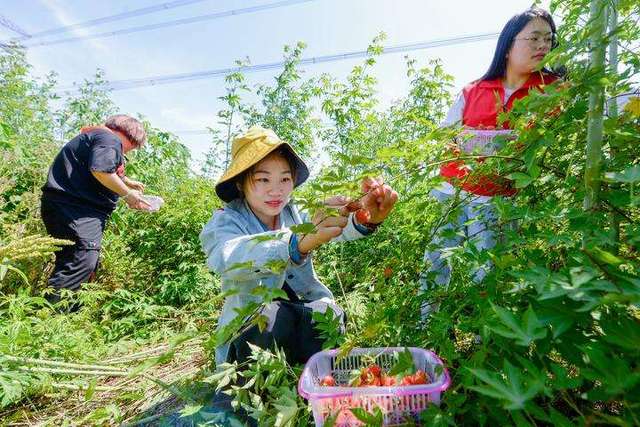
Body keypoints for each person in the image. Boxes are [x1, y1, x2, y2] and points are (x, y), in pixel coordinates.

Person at [200, 126, 398, 366]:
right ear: (241, 183)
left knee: (329, 315)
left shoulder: (295, 211)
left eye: (285, 178)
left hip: (299, 310)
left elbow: (331, 225)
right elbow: (228, 256)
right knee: (271, 318)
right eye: (263, 179)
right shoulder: (226, 220)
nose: (276, 190)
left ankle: (315, 375)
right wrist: (293, 244)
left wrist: (366, 216)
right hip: (253, 328)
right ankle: (246, 386)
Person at [421, 7, 561, 320]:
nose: (542, 45)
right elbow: (445, 140)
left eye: (548, 39)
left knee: (488, 272)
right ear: (509, 45)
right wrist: (466, 167)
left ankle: (482, 336)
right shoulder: (474, 91)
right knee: (436, 264)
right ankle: (427, 327)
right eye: (534, 38)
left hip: (501, 200)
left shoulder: (552, 90)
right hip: (453, 192)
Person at [41, 114, 150, 306]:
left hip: (67, 208)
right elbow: (101, 170)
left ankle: (66, 317)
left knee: (79, 262)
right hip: (77, 210)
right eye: (131, 147)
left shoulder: (97, 137)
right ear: (130, 136)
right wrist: (128, 195)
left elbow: (99, 168)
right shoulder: (109, 139)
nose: (128, 152)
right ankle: (50, 320)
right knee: (80, 261)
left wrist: (126, 182)